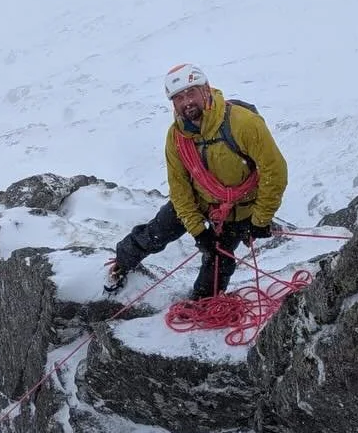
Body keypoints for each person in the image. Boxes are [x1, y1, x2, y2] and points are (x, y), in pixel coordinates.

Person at [105, 63, 288, 300]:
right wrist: (199, 231)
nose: (186, 102)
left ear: (206, 90)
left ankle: (203, 302)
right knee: (155, 232)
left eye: (191, 92)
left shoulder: (243, 124)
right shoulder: (177, 137)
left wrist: (260, 220)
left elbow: (274, 172)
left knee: (219, 260)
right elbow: (179, 187)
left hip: (240, 209)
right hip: (199, 199)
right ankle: (121, 263)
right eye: (179, 98)